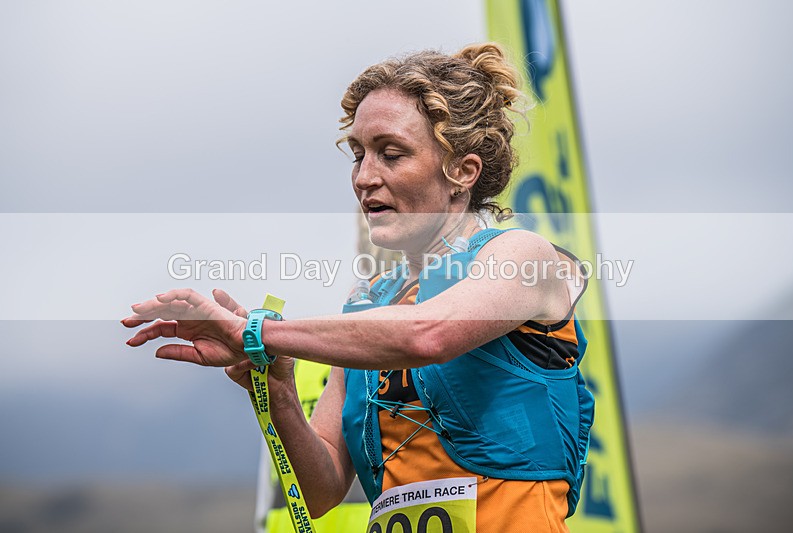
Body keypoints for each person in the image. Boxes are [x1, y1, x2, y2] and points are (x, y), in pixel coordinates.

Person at [123, 42, 594, 532]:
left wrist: (255, 333)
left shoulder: (522, 255)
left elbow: (428, 335)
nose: (364, 177)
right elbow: (322, 490)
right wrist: (279, 386)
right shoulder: (369, 303)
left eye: (391, 154)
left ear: (462, 171)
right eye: (358, 155)